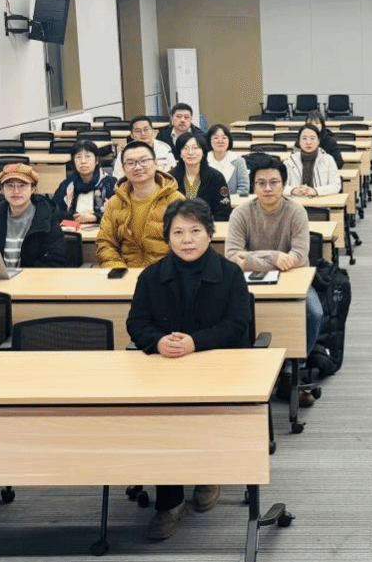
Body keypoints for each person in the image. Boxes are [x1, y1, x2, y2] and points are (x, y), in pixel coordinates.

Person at [127, 199, 251, 540]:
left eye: (195, 231)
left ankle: (207, 472)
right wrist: (157, 342)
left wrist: (196, 342)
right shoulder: (151, 276)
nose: (187, 240)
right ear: (167, 237)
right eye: (178, 232)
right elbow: (136, 323)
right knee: (159, 418)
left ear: (210, 234)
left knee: (203, 410)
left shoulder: (230, 274)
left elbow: (238, 324)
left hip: (218, 366)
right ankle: (169, 502)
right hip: (166, 368)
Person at [224, 154, 324, 407]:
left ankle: (291, 371)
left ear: (284, 184)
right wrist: (275, 257)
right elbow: (232, 257)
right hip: (248, 284)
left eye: (274, 182)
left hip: (294, 280)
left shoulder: (296, 211)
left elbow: (299, 257)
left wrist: (251, 258)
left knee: (313, 313)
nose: (267, 188)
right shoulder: (241, 213)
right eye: (261, 183)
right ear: (254, 186)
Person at [96, 140, 183, 269]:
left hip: (166, 273)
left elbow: (185, 244)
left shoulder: (175, 199)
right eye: (130, 163)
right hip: (126, 273)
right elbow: (105, 243)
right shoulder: (115, 203)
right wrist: (119, 270)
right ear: (123, 168)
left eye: (144, 161)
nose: (137, 167)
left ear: (156, 163)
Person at [0, 163, 66, 267]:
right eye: (10, 186)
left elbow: (56, 259)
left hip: (35, 276)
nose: (16, 191)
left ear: (33, 188)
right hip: (0, 276)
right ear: (2, 190)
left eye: (22, 186)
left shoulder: (46, 216)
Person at [52, 139, 117, 223]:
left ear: (96, 160)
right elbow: (54, 211)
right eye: (78, 157)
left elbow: (119, 213)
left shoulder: (110, 183)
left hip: (102, 227)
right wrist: (72, 216)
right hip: (72, 228)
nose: (83, 161)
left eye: (88, 156)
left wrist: (95, 217)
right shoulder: (66, 185)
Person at [171, 132, 232, 221]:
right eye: (185, 148)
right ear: (179, 153)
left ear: (203, 152)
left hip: (208, 226)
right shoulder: (170, 178)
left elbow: (223, 212)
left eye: (195, 148)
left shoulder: (216, 177)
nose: (190, 152)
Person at [283, 124, 342, 197]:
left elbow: (336, 185)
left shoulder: (328, 159)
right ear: (299, 141)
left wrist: (316, 191)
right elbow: (280, 186)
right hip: (295, 202)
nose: (308, 142)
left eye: (312, 138)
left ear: (318, 141)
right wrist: (293, 190)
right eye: (304, 138)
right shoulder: (289, 161)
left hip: (321, 201)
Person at [206, 124, 251, 196]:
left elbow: (244, 189)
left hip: (233, 202)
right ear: (209, 140)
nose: (220, 141)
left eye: (224, 138)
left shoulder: (239, 161)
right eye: (216, 138)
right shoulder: (203, 161)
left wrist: (227, 200)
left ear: (229, 140)